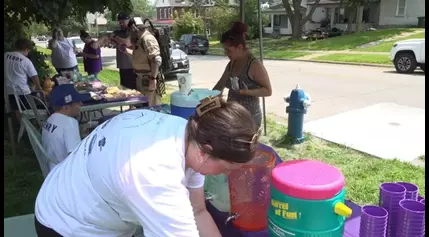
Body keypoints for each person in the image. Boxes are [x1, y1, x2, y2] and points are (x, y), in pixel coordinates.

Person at [34, 96, 260, 237]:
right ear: (206, 152)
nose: (226, 175)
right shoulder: (154, 174)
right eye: (227, 169)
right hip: (65, 224)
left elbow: (198, 211)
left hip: (78, 196)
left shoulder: (190, 133)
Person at [213, 22, 272, 128]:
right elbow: (220, 85)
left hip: (249, 120)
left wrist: (247, 92)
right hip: (233, 117)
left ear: (240, 47)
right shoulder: (232, 63)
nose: (226, 54)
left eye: (228, 50)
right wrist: (209, 99)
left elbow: (268, 91)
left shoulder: (254, 65)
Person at [41, 84, 91, 172]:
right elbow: (75, 156)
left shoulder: (50, 119)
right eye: (77, 102)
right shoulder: (70, 123)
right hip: (65, 173)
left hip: (52, 168)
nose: (81, 104)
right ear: (66, 107)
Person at [117, 20, 164, 106]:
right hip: (140, 79)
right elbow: (138, 56)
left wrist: (153, 80)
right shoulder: (140, 39)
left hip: (148, 79)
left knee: (152, 107)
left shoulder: (147, 39)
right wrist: (125, 50)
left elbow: (156, 60)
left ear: (135, 28)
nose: (130, 33)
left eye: (130, 30)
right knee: (143, 108)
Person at [4, 38, 43, 119]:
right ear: (26, 49)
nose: (28, 53)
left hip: (8, 89)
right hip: (22, 91)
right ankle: (30, 123)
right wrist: (39, 88)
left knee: (17, 108)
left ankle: (21, 123)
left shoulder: (6, 55)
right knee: (30, 107)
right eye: (28, 51)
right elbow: (34, 76)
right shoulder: (26, 61)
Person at [112, 12, 137, 90]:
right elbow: (106, 38)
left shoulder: (134, 31)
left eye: (123, 21)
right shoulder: (119, 32)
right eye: (119, 22)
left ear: (129, 20)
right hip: (122, 67)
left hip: (132, 67)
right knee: (125, 89)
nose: (121, 24)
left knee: (133, 91)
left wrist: (115, 37)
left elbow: (127, 43)